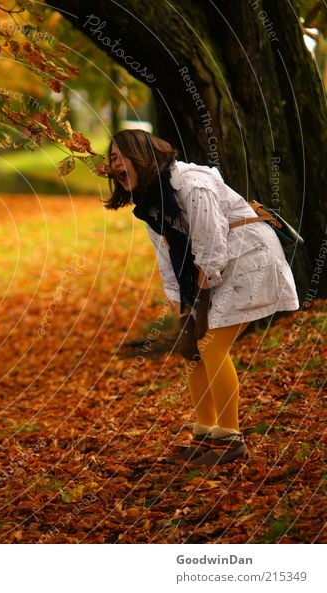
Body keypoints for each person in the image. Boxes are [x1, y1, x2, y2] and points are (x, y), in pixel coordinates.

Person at [106, 129, 299, 465]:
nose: (114, 165)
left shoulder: (193, 186)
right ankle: (206, 436)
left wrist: (203, 296)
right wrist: (182, 303)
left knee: (211, 345)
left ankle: (230, 439)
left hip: (247, 257)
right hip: (213, 265)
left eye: (121, 156)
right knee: (193, 351)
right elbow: (166, 255)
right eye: (110, 159)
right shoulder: (150, 202)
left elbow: (211, 245)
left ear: (143, 157)